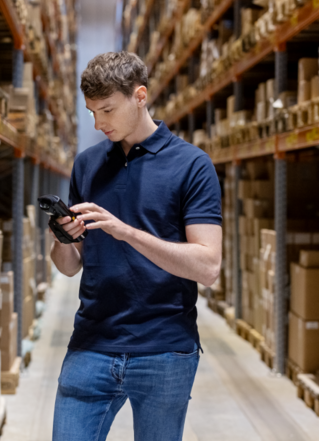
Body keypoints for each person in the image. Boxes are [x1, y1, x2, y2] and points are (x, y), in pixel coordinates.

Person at [49, 51, 222, 441]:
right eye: (92, 112)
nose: (98, 123)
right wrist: (63, 239)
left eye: (107, 110)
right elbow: (70, 265)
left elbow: (208, 267)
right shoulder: (87, 164)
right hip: (92, 342)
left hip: (164, 348)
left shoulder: (192, 166)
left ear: (140, 96)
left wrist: (125, 232)